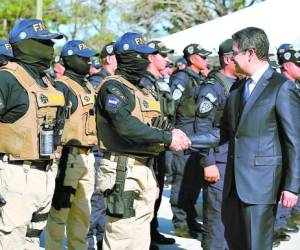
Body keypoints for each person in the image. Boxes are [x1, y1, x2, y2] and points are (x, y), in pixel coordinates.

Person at [95, 32, 191, 250]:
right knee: (121, 235)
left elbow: (154, 123)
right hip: (123, 169)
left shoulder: (142, 89)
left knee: (140, 238)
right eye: (141, 55)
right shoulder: (113, 87)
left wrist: (173, 132)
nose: (146, 60)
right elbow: (125, 125)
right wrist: (168, 138)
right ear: (128, 56)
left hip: (144, 168)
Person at [220, 27, 300, 250]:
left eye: (234, 53)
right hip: (233, 185)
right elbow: (223, 133)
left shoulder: (281, 87)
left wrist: (292, 186)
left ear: (250, 53)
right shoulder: (238, 88)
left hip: (262, 187)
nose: (230, 58)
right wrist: (172, 138)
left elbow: (294, 141)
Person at [0, 19, 65, 250]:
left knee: (32, 241)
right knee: (10, 242)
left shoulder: (46, 81)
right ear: (26, 44)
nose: (50, 47)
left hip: (44, 174)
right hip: (15, 173)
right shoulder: (6, 78)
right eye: (44, 42)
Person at [45, 40, 98, 250]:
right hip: (67, 157)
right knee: (59, 212)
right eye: (84, 58)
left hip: (87, 156)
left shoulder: (87, 86)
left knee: (82, 213)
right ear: (71, 59)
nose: (89, 62)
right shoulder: (62, 86)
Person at [195, 38, 238, 250]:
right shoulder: (213, 88)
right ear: (229, 59)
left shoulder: (240, 84)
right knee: (217, 221)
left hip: (235, 160)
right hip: (218, 161)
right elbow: (202, 127)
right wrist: (208, 161)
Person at [170, 43, 211, 238]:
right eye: (202, 57)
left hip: (195, 137)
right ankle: (180, 223)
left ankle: (190, 218)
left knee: (194, 180)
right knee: (181, 179)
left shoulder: (200, 78)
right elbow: (171, 106)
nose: (206, 60)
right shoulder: (181, 78)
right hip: (183, 134)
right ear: (192, 58)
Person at [138, 40, 176, 250]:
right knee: (150, 190)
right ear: (151, 57)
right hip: (151, 143)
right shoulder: (145, 81)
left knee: (158, 189)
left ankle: (152, 231)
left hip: (162, 143)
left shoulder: (161, 80)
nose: (167, 59)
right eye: (162, 55)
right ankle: (145, 236)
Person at [86, 42, 117, 250]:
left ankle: (99, 241)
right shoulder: (98, 81)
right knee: (96, 202)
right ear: (108, 58)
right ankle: (88, 242)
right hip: (98, 148)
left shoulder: (114, 81)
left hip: (109, 149)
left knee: (105, 202)